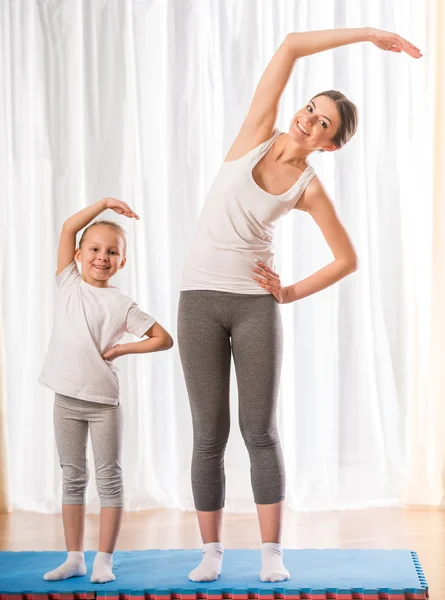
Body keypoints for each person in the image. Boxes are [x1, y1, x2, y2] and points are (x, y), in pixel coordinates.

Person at [178, 27, 421, 583]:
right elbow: (289, 45)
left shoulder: (307, 185)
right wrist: (368, 35)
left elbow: (347, 258)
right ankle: (211, 551)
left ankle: (270, 553)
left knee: (258, 430)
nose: (308, 121)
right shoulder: (255, 135)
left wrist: (286, 292)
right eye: (310, 110)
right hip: (198, 301)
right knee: (207, 432)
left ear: (330, 145)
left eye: (323, 125)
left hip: (253, 309)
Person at [39, 197, 173, 583]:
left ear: (122, 262)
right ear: (79, 255)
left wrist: (122, 348)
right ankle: (74, 557)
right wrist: (104, 205)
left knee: (109, 477)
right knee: (72, 476)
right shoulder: (68, 283)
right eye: (94, 249)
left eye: (112, 252)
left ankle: (104, 560)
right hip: (65, 398)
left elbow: (162, 338)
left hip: (103, 403)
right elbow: (68, 227)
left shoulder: (121, 303)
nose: (102, 257)